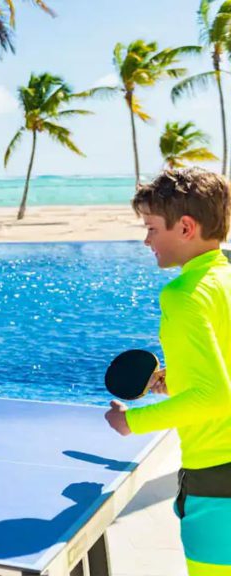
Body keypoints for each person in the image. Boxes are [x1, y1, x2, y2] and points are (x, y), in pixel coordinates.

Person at [105, 167, 231, 575]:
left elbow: (213, 396)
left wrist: (132, 422)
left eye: (152, 228)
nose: (146, 240)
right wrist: (175, 382)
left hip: (219, 482)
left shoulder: (182, 296)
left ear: (186, 227)